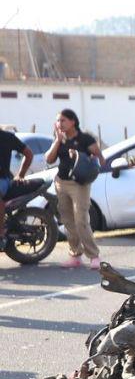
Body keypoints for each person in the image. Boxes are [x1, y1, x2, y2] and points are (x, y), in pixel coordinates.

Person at [44, 108, 104, 269]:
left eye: (63, 120)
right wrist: (57, 141)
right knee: (67, 220)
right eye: (58, 121)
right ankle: (75, 255)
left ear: (73, 121)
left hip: (79, 184)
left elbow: (100, 158)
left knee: (81, 220)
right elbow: (49, 159)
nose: (59, 123)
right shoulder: (59, 139)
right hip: (61, 183)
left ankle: (94, 256)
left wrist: (80, 156)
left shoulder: (85, 139)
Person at [0, 128, 35, 246]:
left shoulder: (6, 137)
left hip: (2, 180)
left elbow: (28, 153)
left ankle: (0, 234)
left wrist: (20, 174)